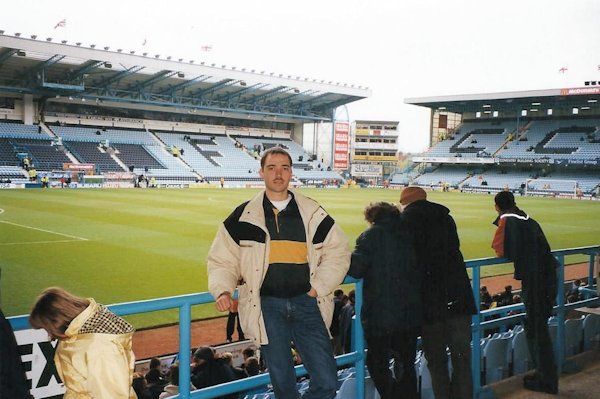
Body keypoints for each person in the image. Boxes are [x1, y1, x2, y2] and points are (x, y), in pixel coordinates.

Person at [207, 146, 350, 399]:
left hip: (307, 303)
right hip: (267, 306)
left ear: (291, 173)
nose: (278, 173)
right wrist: (223, 290)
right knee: (284, 385)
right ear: (261, 172)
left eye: (284, 167)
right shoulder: (243, 216)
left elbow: (338, 251)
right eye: (272, 168)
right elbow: (222, 259)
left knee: (327, 380)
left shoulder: (312, 212)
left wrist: (318, 286)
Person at [400, 186, 476, 399]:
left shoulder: (405, 222)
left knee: (437, 362)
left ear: (405, 203)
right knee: (462, 360)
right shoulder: (445, 217)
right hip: (459, 298)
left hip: (429, 304)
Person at [348, 202, 422, 399]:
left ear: (373, 218)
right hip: (410, 314)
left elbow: (355, 269)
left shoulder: (370, 236)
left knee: (377, 363)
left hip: (380, 315)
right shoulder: (411, 234)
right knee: (406, 365)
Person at [491, 190, 559, 394]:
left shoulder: (508, 219)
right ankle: (544, 375)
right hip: (547, 275)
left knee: (537, 331)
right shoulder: (525, 216)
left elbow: (500, 249)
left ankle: (547, 380)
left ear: (497, 206)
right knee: (537, 328)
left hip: (536, 279)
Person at [28, 287, 137, 399]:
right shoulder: (77, 333)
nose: (49, 335)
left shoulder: (99, 348)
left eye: (47, 329)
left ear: (57, 321)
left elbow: (111, 395)